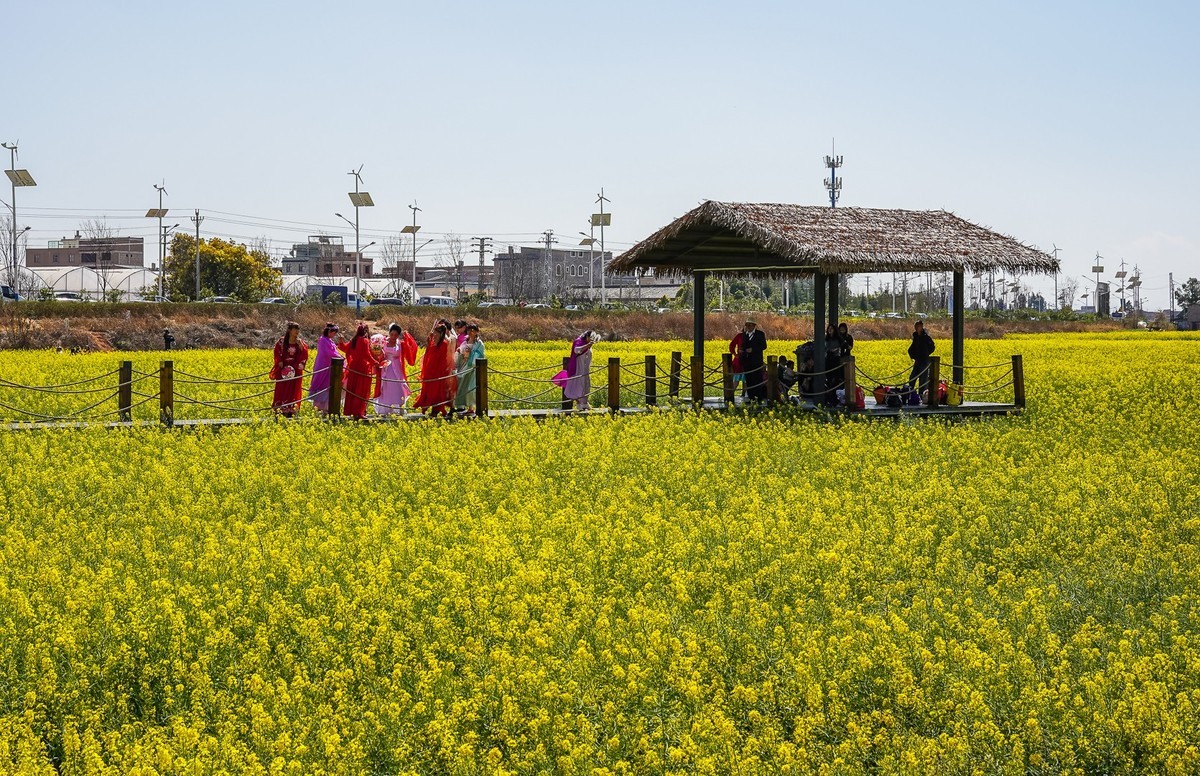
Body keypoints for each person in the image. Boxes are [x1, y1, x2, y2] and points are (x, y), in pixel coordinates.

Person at [339, 323, 381, 420]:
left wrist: (341, 342)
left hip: (353, 368)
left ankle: (351, 411)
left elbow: (344, 348)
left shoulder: (353, 340)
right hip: (363, 369)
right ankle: (359, 412)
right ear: (365, 331)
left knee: (353, 390)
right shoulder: (365, 340)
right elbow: (366, 355)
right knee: (361, 391)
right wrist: (376, 362)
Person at [413, 323, 455, 416]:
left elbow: (442, 360)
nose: (435, 335)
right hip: (429, 371)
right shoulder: (432, 343)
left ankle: (436, 409)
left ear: (441, 334)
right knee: (428, 391)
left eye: (436, 333)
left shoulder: (444, 344)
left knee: (436, 392)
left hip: (437, 372)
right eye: (434, 333)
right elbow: (428, 353)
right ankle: (428, 407)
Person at [376, 323, 418, 416]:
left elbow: (412, 348)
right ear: (389, 333)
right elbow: (376, 352)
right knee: (387, 388)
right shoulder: (383, 342)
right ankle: (386, 410)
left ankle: (398, 409)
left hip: (397, 368)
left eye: (396, 335)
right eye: (392, 334)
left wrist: (407, 337)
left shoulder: (400, 344)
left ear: (398, 335)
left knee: (398, 388)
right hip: (386, 368)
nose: (393, 337)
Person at [270, 322, 309, 417]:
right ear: (289, 330)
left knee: (293, 389)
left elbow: (304, 354)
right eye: (294, 329)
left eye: (298, 329)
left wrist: (301, 348)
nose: (297, 331)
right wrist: (279, 361)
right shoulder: (282, 341)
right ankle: (280, 408)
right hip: (283, 370)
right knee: (282, 388)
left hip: (295, 370)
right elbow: (277, 352)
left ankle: (291, 409)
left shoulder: (300, 342)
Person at [307, 322, 341, 414]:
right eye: (333, 332)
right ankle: (318, 408)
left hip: (330, 367)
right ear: (329, 331)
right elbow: (328, 353)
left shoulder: (330, 340)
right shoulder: (323, 340)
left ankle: (326, 408)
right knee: (321, 385)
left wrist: (340, 356)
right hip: (323, 366)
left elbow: (334, 352)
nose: (334, 335)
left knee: (327, 387)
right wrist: (340, 357)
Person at [453, 323, 486, 415]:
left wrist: (472, 355)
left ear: (476, 332)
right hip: (463, 366)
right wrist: (460, 352)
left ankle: (471, 407)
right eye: (469, 330)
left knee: (470, 388)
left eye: (473, 331)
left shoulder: (479, 343)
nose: (471, 332)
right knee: (462, 386)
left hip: (473, 367)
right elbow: (461, 352)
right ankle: (461, 406)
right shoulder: (465, 342)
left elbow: (481, 354)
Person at [564, 330, 598, 410]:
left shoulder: (588, 344)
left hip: (585, 369)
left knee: (586, 384)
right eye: (591, 338)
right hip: (578, 367)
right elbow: (576, 350)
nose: (591, 340)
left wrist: (589, 345)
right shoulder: (579, 341)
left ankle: (585, 402)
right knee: (578, 384)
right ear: (587, 336)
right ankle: (579, 403)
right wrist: (587, 345)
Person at [739, 320, 767, 401]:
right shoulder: (744, 335)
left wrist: (753, 349)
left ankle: (759, 397)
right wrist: (742, 350)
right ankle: (751, 397)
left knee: (757, 379)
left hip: (756, 362)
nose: (747, 327)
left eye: (749, 325)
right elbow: (743, 346)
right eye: (746, 325)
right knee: (749, 379)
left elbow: (764, 346)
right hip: (747, 362)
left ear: (754, 325)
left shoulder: (760, 334)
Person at [908, 319, 936, 396]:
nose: (916, 328)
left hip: (924, 361)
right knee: (912, 378)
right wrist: (912, 354)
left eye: (918, 326)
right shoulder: (916, 337)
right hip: (917, 361)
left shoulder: (926, 337)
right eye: (915, 326)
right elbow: (913, 347)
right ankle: (909, 393)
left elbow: (932, 347)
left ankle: (921, 395)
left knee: (923, 380)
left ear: (921, 327)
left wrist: (925, 354)